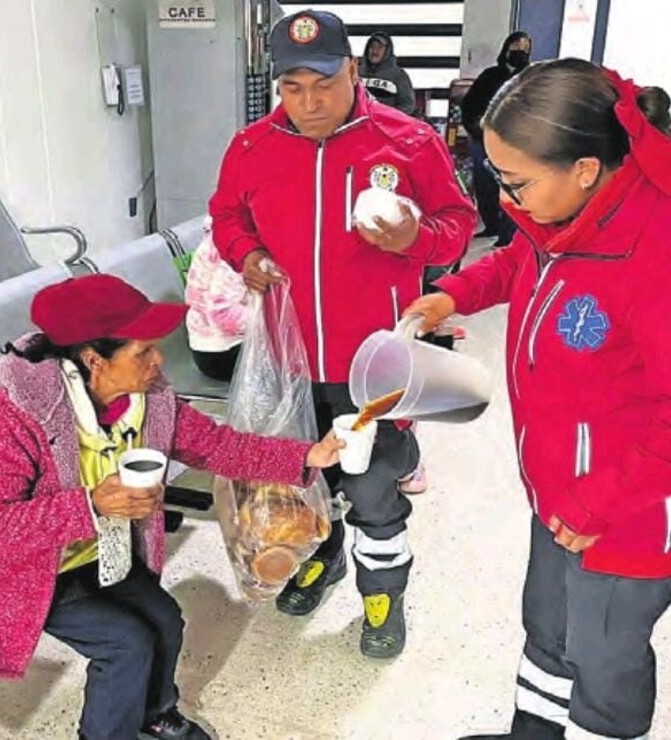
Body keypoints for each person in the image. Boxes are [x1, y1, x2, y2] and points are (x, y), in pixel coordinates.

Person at [406, 59, 671, 739]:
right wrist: (454, 294)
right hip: (565, 492)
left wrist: (597, 503)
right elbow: (522, 257)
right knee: (548, 625)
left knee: (602, 658)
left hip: (626, 510)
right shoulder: (571, 212)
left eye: (516, 181)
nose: (505, 197)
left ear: (586, 168)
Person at [0, 273, 343, 740]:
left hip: (99, 550)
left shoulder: (151, 399)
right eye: (143, 351)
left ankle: (155, 713)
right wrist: (92, 505)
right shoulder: (15, 417)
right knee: (125, 643)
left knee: (164, 621)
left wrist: (309, 456)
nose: (158, 360)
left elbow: (216, 446)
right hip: (29, 566)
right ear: (94, 360)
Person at [209, 9, 477, 658]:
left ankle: (382, 596)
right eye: (292, 87)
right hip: (291, 359)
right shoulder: (251, 146)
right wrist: (247, 254)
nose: (308, 103)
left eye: (323, 84)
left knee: (373, 486)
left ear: (353, 70)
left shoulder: (408, 141)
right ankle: (320, 559)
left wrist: (416, 238)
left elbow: (458, 223)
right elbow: (226, 217)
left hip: (377, 360)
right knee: (306, 476)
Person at [461, 31, 532, 242]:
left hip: (512, 141)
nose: (520, 51)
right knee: (484, 185)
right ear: (507, 48)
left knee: (509, 187)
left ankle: (506, 233)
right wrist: (474, 126)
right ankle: (490, 225)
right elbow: (469, 103)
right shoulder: (490, 75)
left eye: (525, 48)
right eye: (516, 47)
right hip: (483, 137)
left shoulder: (528, 78)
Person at [185, 217, 247, 382]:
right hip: (222, 352)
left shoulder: (228, 235)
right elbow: (221, 315)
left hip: (232, 341)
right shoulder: (230, 248)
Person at [359, 32, 417, 116]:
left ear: (387, 51)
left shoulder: (399, 75)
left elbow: (408, 105)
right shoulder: (356, 72)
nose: (375, 51)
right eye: (372, 47)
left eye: (380, 47)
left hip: (385, 120)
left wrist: (389, 115)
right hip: (360, 119)